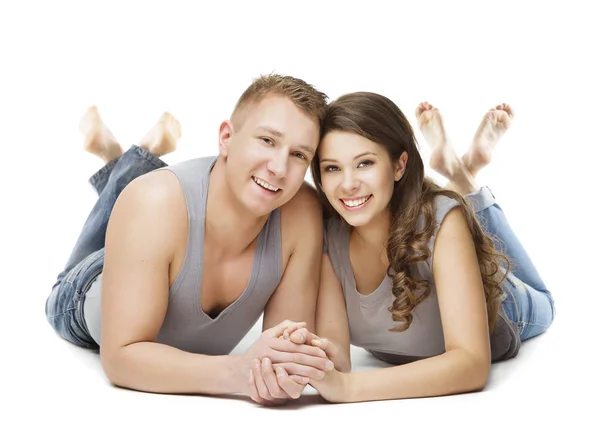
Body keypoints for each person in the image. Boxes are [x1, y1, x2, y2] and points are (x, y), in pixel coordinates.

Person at [44, 74, 337, 401]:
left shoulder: (303, 212)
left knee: (148, 209)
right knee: (142, 202)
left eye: (299, 155)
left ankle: (118, 156)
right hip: (85, 286)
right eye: (267, 140)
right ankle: (132, 159)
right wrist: (239, 372)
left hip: (158, 240)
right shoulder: (152, 203)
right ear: (226, 137)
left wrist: (283, 373)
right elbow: (121, 359)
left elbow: (281, 355)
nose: (280, 168)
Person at [248, 93, 556, 404]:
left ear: (399, 165)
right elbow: (338, 361)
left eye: (364, 163)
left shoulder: (441, 222)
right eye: (332, 168)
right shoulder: (327, 236)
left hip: (506, 306)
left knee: (545, 299)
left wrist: (350, 389)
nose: (348, 184)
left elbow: (472, 365)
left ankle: (465, 180)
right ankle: (457, 169)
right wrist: (305, 358)